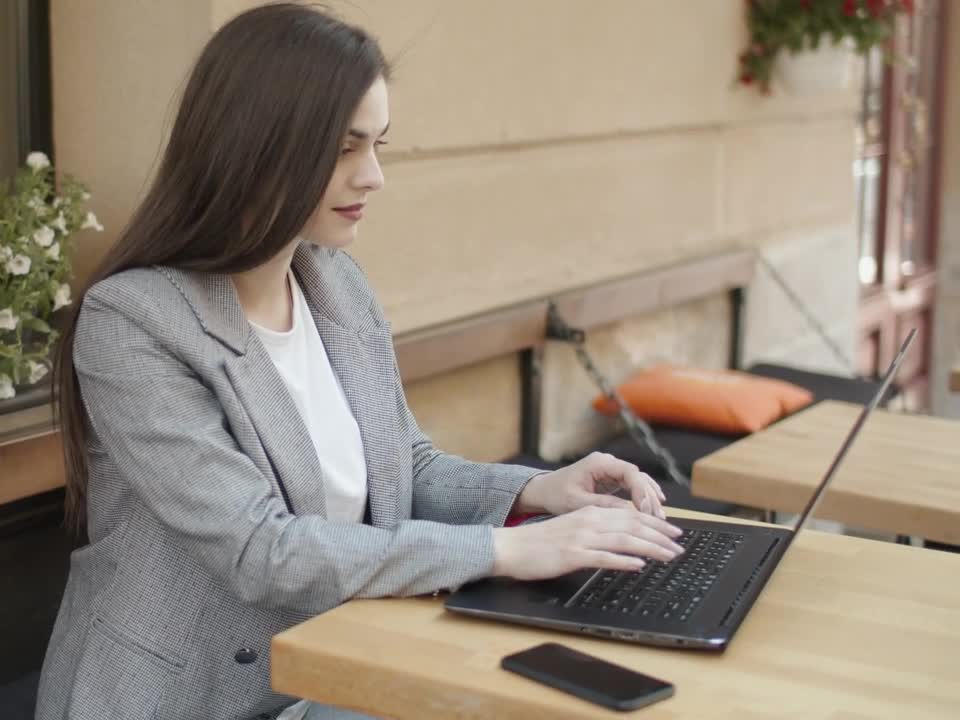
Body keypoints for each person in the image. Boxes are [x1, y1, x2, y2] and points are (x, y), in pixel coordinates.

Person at [36, 4, 683, 719]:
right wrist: (506, 551)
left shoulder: (333, 283)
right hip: (194, 700)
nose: (373, 176)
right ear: (256, 147)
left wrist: (538, 492)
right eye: (345, 148)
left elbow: (409, 467)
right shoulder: (135, 322)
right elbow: (260, 550)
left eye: (377, 144)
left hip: (339, 666)